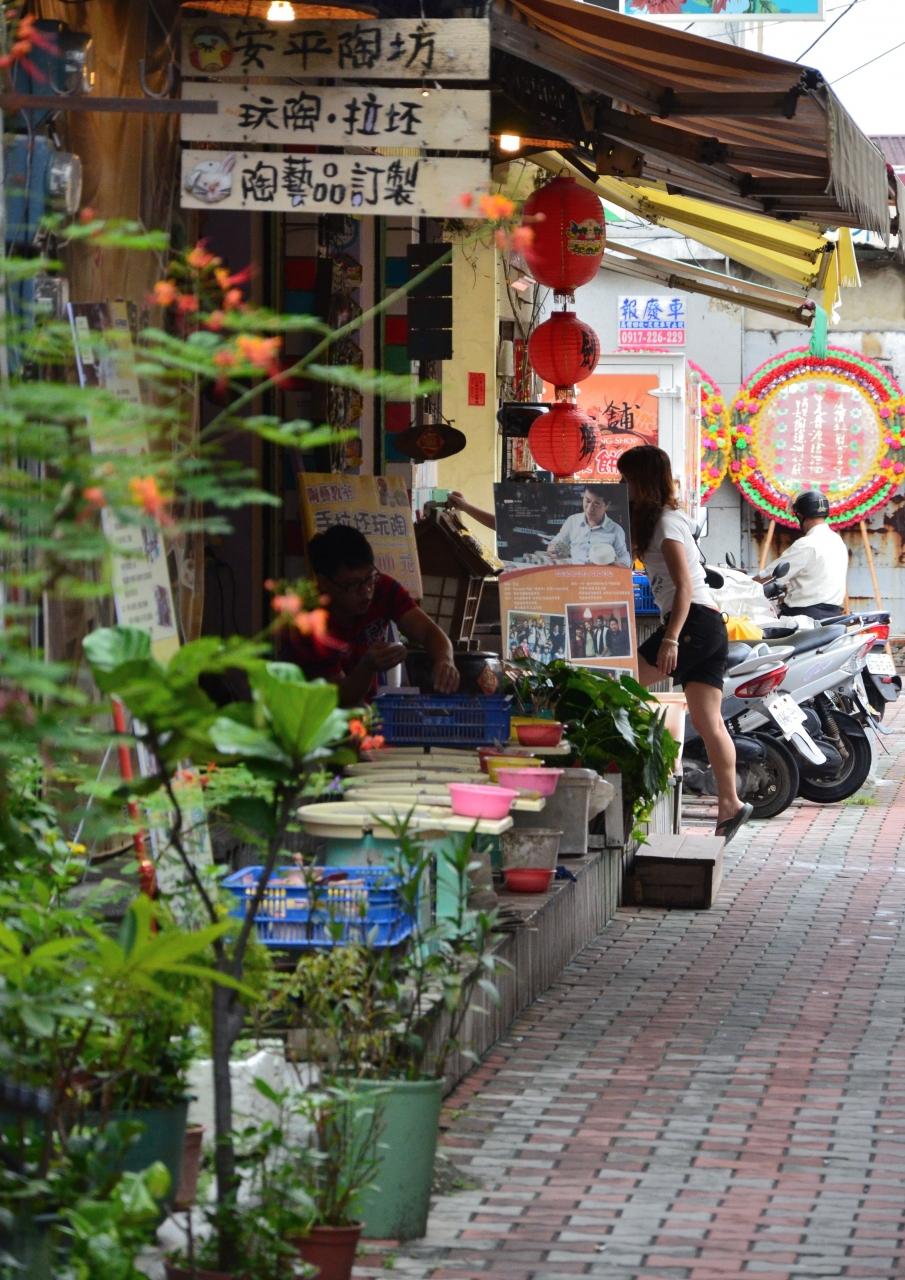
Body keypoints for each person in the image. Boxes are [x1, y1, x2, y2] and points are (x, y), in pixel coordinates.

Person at [616, 445, 752, 844]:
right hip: (707, 624)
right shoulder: (654, 521)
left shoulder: (666, 523)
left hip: (693, 624)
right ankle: (730, 804)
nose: (621, 485)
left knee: (620, 684)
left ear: (642, 481)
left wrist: (671, 638)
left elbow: (685, 587)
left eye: (626, 479)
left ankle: (640, 770)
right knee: (709, 723)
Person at [286, 524, 459, 707]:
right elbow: (340, 700)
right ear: (324, 583)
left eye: (369, 578)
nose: (366, 592)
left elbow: (428, 631)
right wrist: (367, 667)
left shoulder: (382, 588)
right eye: (353, 584)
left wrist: (445, 660)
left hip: (365, 708)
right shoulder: (310, 622)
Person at [757, 489, 848, 621]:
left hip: (804, 617)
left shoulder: (806, 544)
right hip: (833, 615)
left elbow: (769, 576)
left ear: (800, 515)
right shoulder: (837, 540)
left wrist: (748, 583)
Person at [546, 486, 632, 568]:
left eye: (596, 504)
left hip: (601, 575)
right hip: (574, 574)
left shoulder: (616, 530)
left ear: (607, 505)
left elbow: (625, 562)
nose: (590, 508)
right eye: (587, 501)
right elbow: (554, 544)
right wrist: (555, 550)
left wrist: (610, 562)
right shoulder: (572, 521)